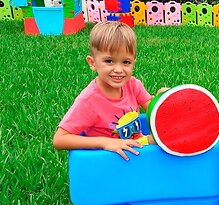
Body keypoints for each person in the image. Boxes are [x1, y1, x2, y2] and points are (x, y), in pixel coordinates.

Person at [53, 21, 164, 160]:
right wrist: (105, 142)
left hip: (135, 147)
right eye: (109, 61)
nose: (118, 69)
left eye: (126, 62)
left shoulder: (133, 84)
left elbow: (154, 112)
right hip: (107, 157)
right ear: (93, 63)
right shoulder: (89, 100)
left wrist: (163, 99)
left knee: (167, 141)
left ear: (133, 62)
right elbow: (59, 140)